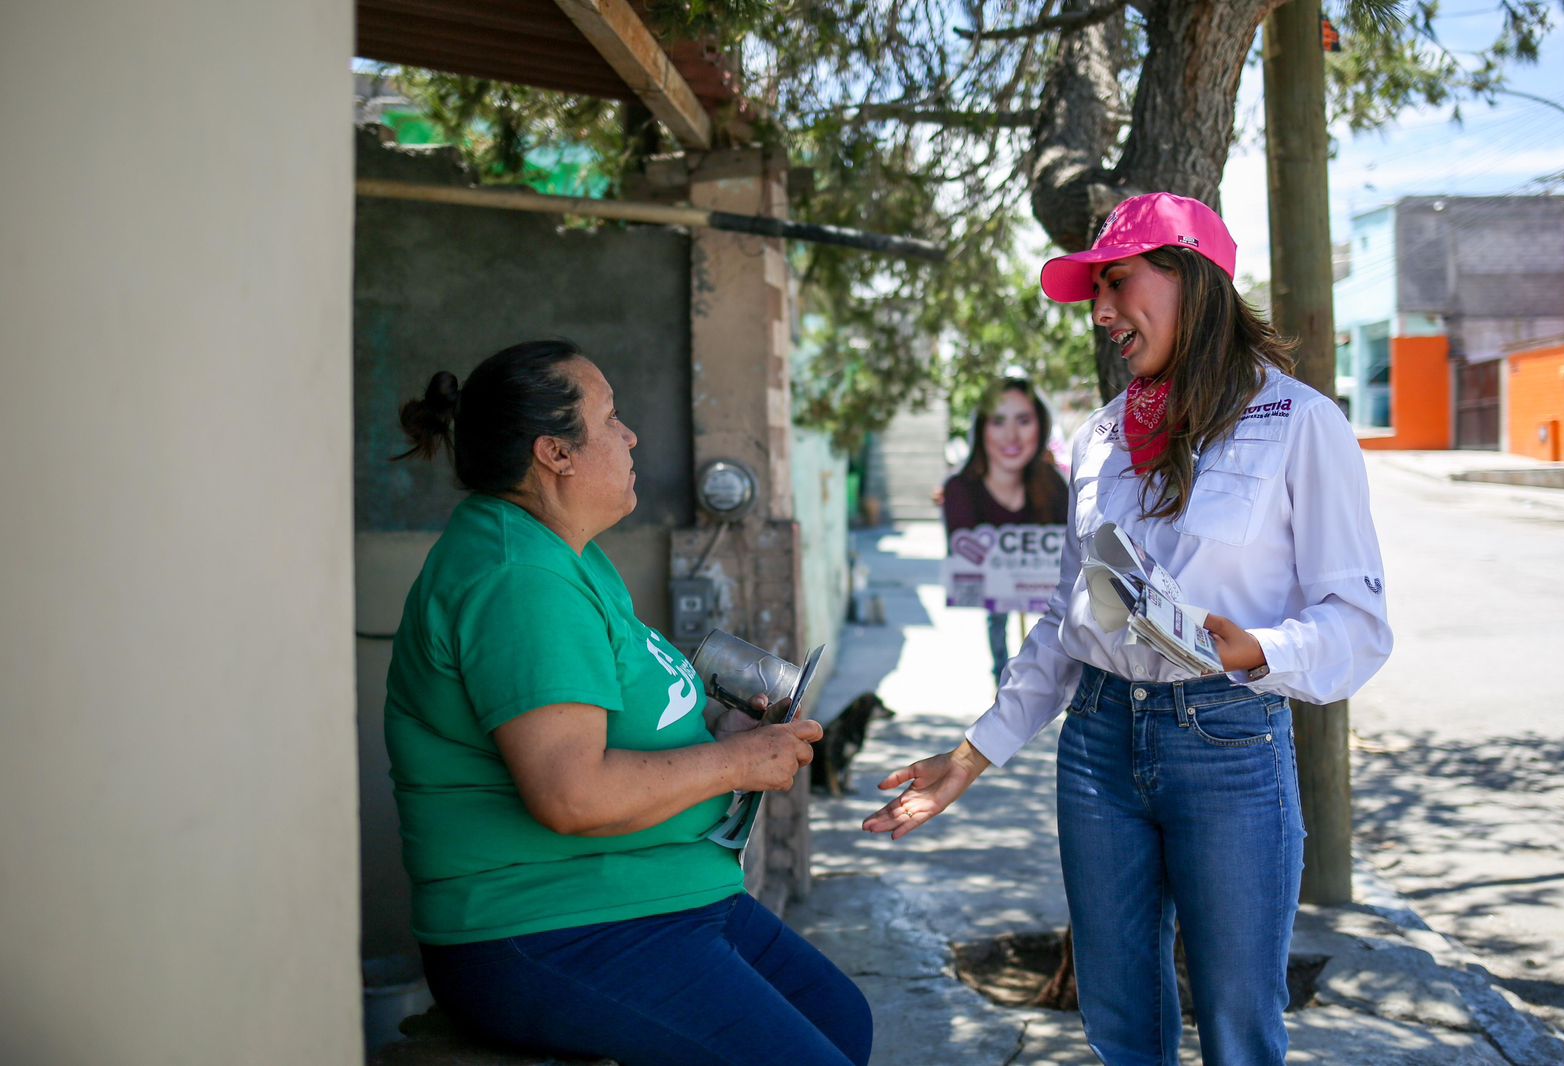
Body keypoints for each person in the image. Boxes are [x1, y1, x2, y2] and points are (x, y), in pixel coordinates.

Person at [865, 193, 1393, 1065]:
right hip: (1099, 743)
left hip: (1227, 741)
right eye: (1096, 294)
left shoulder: (1301, 425)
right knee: (1118, 1013)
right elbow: (1067, 626)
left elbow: (1359, 626)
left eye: (1116, 283)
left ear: (1189, 274)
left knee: (1237, 1019)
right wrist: (970, 757)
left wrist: (1263, 650)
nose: (1102, 313)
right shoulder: (1103, 438)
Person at [385, 339, 871, 1066]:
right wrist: (733, 762)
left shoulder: (567, 554)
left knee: (842, 1019)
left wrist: (727, 730)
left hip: (650, 897)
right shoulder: (518, 581)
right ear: (556, 453)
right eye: (610, 417)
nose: (631, 434)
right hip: (555, 923)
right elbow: (571, 794)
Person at [941, 378, 1071, 685]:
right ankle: (1002, 677)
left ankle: (1039, 679)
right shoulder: (961, 489)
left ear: (1040, 427)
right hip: (998, 583)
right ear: (983, 429)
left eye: (1023, 420)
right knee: (996, 621)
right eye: (998, 421)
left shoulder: (1052, 485)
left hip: (1039, 586)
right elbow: (960, 549)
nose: (1011, 435)